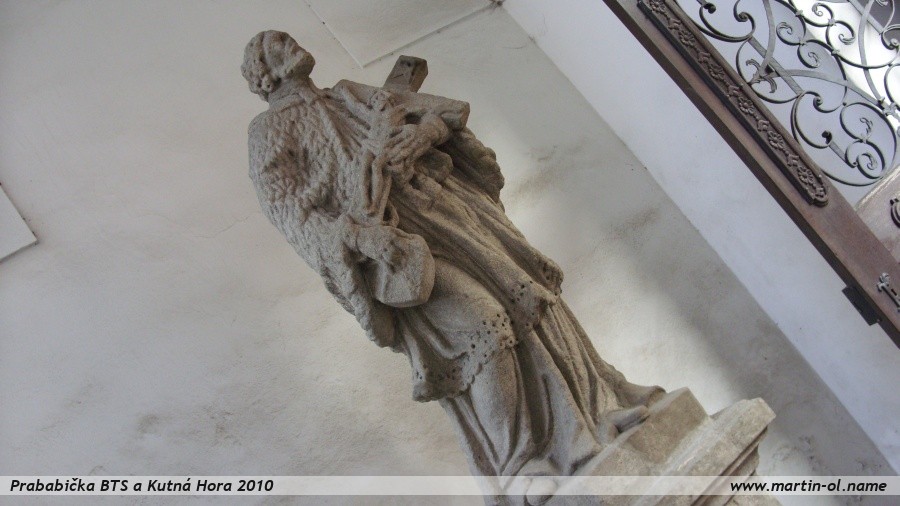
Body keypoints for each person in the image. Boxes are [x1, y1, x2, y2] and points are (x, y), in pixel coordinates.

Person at [242, 30, 662, 493]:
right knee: (484, 324)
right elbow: (293, 216)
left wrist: (421, 136)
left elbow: (441, 114)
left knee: (531, 293)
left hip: (447, 210)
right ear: (264, 72)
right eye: (277, 44)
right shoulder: (268, 131)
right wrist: (362, 237)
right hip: (397, 247)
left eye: (288, 37)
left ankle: (598, 407)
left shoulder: (345, 94)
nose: (291, 43)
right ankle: (518, 467)